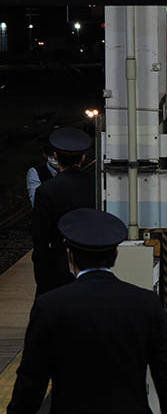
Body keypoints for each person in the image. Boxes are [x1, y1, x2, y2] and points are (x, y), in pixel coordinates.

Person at [5, 208, 167, 414]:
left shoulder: (49, 307)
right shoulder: (145, 305)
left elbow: (31, 382)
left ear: (70, 256)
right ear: (116, 254)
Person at [31, 126, 96, 297]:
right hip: (92, 259)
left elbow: (40, 238)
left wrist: (42, 277)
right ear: (83, 157)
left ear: (56, 157)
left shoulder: (45, 190)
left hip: (57, 264)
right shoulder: (97, 185)